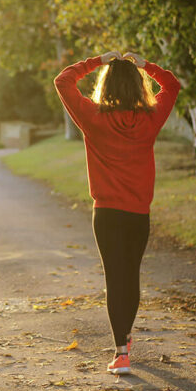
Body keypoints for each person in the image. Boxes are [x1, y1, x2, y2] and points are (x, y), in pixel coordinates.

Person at [54, 50, 181, 374]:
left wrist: (97, 61)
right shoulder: (151, 119)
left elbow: (63, 81)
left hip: (107, 214)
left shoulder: (93, 118)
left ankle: (121, 352)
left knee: (115, 278)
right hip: (138, 213)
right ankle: (124, 337)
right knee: (131, 276)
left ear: (106, 86)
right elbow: (172, 85)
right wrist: (145, 65)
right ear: (138, 87)